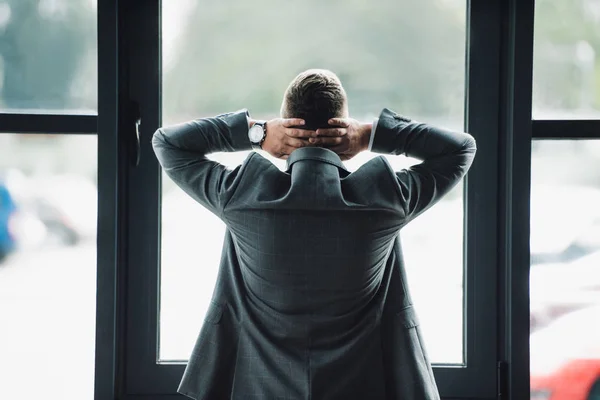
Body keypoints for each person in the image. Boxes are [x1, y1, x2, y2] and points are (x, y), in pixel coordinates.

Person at [152, 69, 476, 400]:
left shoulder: (243, 196)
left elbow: (167, 143)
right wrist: (369, 136)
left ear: (285, 124)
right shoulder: (384, 199)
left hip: (257, 388)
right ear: (343, 126)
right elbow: (460, 150)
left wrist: (256, 133)